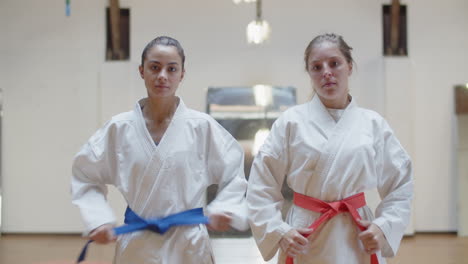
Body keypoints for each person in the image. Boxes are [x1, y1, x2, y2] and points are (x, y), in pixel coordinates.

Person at [71, 36, 248, 264]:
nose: (162, 75)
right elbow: (85, 175)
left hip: (189, 243)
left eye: (171, 69)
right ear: (142, 71)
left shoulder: (202, 127)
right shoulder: (118, 128)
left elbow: (234, 174)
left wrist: (225, 207)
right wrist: (99, 219)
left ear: (181, 74)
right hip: (137, 242)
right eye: (154, 67)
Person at [246, 33, 413, 264]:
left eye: (334, 63)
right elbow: (261, 183)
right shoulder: (291, 122)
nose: (326, 72)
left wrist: (383, 227)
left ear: (350, 67)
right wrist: (278, 231)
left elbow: (400, 183)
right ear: (309, 74)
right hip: (305, 235)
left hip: (357, 235)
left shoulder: (373, 124)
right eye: (316, 67)